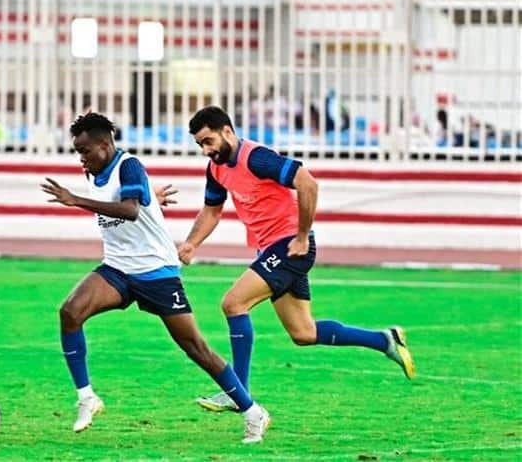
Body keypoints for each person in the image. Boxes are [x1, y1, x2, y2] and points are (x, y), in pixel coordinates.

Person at [41, 112, 271, 444]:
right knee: (70, 312)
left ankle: (252, 412)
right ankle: (87, 397)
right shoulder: (95, 170)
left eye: (85, 151)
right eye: (77, 152)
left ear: (104, 145)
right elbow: (133, 201)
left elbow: (130, 209)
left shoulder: (129, 166)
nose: (81, 159)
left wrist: (76, 200)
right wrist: (151, 197)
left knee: (195, 347)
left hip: (156, 271)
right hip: (118, 268)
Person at [178, 106, 415, 413]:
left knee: (233, 303)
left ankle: (238, 392)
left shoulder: (257, 158)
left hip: (290, 247)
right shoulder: (216, 169)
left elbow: (308, 183)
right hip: (273, 250)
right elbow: (212, 210)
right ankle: (385, 340)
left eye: (208, 141)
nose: (205, 150)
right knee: (304, 333)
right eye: (200, 145)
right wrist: (191, 244)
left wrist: (302, 235)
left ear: (227, 132)